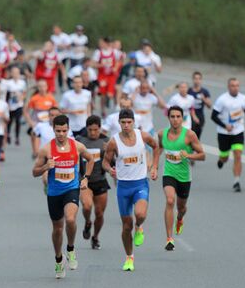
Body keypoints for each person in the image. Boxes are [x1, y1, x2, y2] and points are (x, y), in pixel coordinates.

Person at [31, 115, 95, 278]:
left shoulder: (77, 146)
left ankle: (71, 249)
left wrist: (85, 177)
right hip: (54, 193)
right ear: (53, 130)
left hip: (71, 189)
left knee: (71, 219)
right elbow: (34, 172)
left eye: (64, 131)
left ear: (68, 130)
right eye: (58, 131)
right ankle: (59, 259)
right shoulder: (46, 149)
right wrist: (46, 166)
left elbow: (90, 159)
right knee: (58, 229)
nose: (61, 134)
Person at [101, 108, 159, 271]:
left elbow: (156, 147)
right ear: (119, 123)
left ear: (134, 122)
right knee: (126, 226)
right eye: (123, 122)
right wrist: (109, 170)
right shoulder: (114, 142)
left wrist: (154, 166)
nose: (126, 125)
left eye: (129, 122)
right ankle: (129, 257)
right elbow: (105, 162)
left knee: (140, 214)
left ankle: (139, 227)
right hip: (123, 187)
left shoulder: (143, 136)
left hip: (140, 183)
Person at [157, 107, 205, 251]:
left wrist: (189, 156)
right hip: (169, 173)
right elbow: (158, 149)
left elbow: (202, 155)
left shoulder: (189, 135)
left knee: (181, 207)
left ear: (182, 118)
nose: (175, 119)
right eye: (172, 116)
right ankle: (169, 238)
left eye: (178, 116)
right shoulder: (162, 134)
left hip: (184, 176)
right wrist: (153, 166)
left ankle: (180, 219)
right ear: (169, 118)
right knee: (170, 200)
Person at [211, 78, 245, 192]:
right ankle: (221, 160)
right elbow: (213, 116)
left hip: (238, 131)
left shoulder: (243, 98)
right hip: (224, 133)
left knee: (238, 155)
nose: (235, 87)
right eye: (233, 85)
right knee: (225, 157)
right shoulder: (222, 100)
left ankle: (237, 181)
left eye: (237, 85)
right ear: (228, 87)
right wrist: (224, 126)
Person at [76, 115, 110, 250]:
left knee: (100, 213)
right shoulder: (80, 141)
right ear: (86, 129)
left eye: (96, 130)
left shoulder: (105, 141)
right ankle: (87, 222)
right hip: (85, 181)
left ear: (100, 128)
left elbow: (112, 162)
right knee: (87, 206)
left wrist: (109, 152)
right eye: (90, 130)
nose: (93, 133)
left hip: (100, 181)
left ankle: (95, 237)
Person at [2, 66, 27, 146]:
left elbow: (24, 93)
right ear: (11, 73)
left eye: (17, 73)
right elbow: (6, 95)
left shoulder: (22, 83)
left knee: (18, 121)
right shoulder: (8, 83)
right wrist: (6, 105)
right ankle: (8, 134)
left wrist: (22, 99)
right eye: (14, 73)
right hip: (10, 105)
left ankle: (17, 137)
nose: (16, 74)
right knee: (10, 120)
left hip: (19, 104)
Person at [187, 71, 212, 140]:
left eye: (198, 79)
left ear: (201, 80)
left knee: (196, 138)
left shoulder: (204, 92)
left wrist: (204, 99)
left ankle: (195, 150)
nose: (197, 81)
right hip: (189, 117)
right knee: (188, 137)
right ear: (192, 79)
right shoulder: (188, 91)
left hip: (200, 117)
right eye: (195, 78)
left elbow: (209, 106)